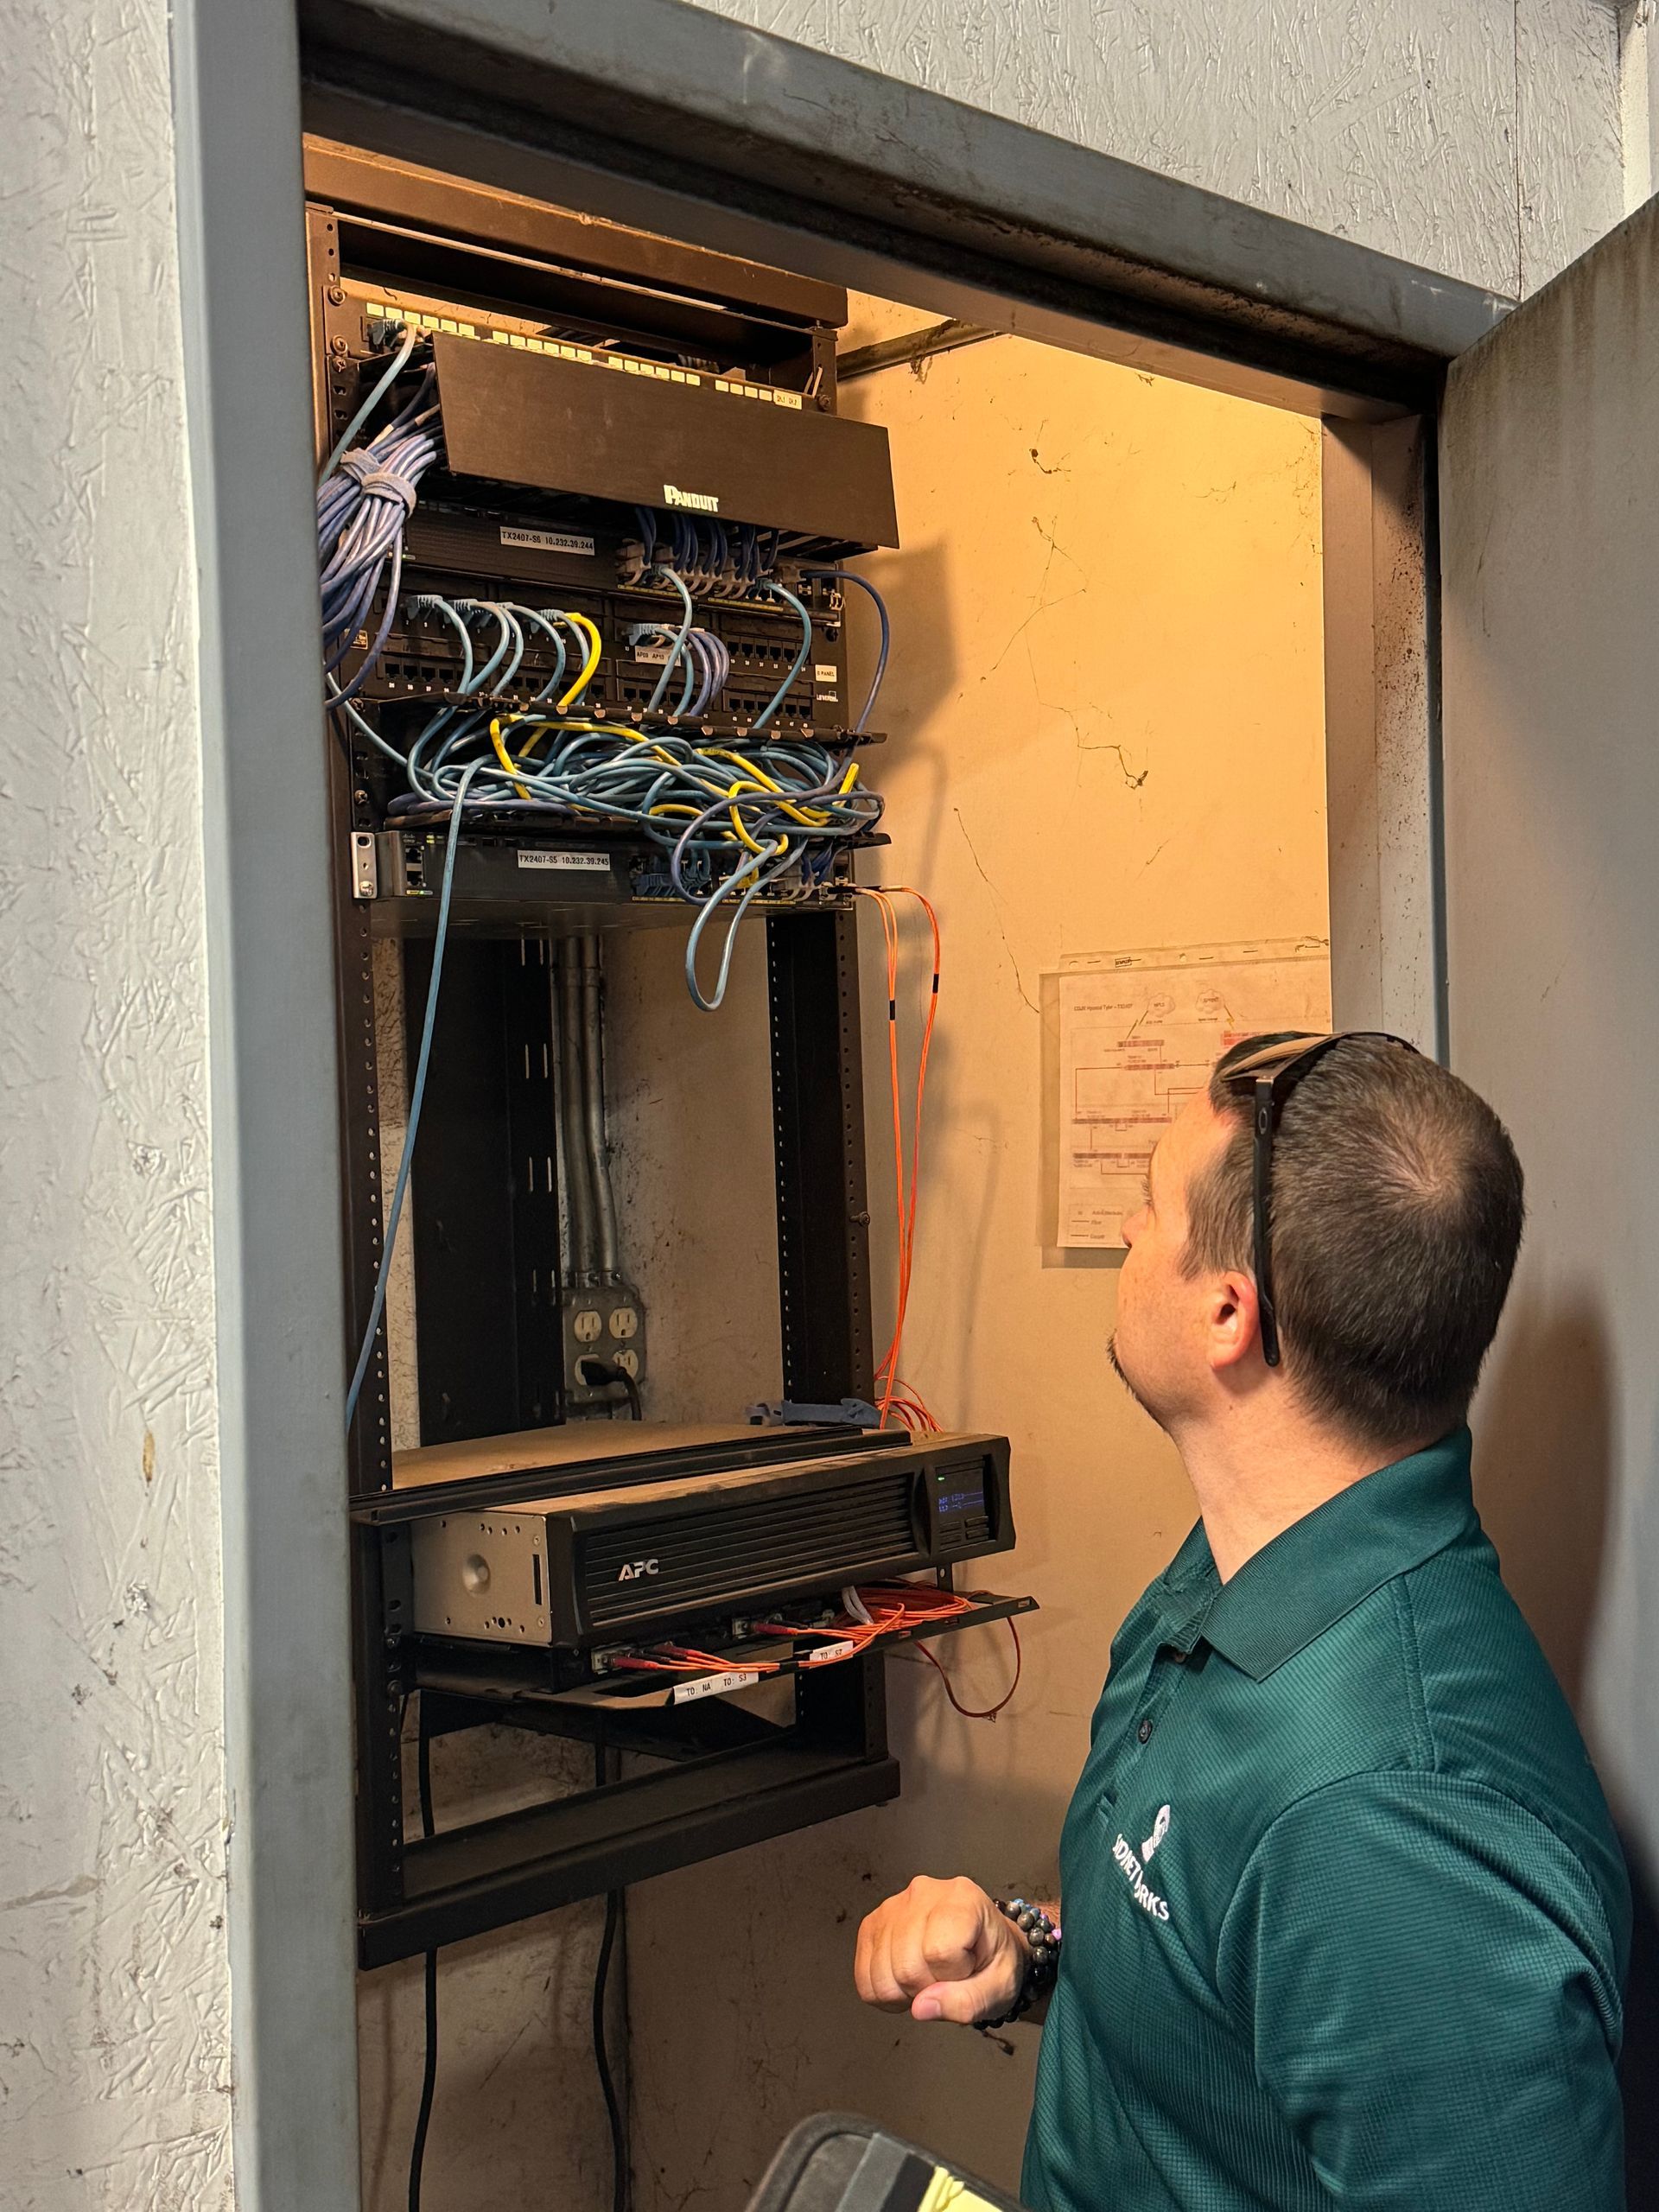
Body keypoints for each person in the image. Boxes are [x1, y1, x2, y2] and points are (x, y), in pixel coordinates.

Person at [854, 1033, 1630, 2212]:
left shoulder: (1393, 1826)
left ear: (1228, 1312)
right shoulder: (1248, 1570)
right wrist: (1035, 1948)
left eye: (1149, 1209)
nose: (1125, 1236)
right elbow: (1245, 1962)